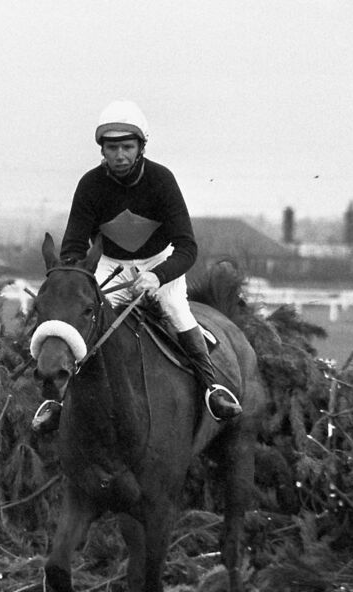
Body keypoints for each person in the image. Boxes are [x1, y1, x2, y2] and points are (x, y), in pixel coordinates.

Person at [32, 100, 241, 433]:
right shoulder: (90, 185)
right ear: (102, 150)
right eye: (112, 147)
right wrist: (73, 276)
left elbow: (187, 247)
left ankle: (211, 387)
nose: (119, 155)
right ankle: (58, 400)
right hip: (108, 265)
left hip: (159, 263)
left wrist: (157, 277)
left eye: (127, 147)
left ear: (141, 147)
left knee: (176, 309)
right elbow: (73, 245)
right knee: (84, 318)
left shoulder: (161, 180)